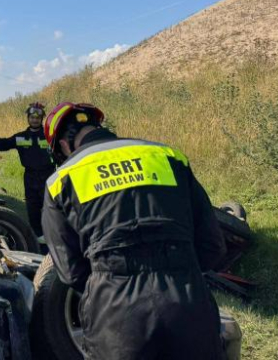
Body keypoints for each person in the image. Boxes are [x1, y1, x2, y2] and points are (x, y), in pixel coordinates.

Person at [41, 102, 226, 360]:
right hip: (188, 303)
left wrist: (108, 282)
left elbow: (70, 271)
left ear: (63, 145)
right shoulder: (169, 157)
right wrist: (180, 269)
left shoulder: (60, 181)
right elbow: (212, 245)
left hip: (116, 315)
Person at [0, 102, 53, 241]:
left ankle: (53, 237)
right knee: (33, 211)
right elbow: (0, 145)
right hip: (30, 178)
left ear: (42, 119)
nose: (35, 120)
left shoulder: (50, 136)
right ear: (28, 118)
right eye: (32, 117)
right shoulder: (21, 137)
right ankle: (39, 241)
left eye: (37, 118)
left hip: (49, 176)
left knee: (51, 209)